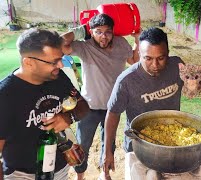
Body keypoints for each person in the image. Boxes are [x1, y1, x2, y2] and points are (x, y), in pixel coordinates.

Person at [0, 28, 89, 180]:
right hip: (22, 175)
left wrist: (69, 117)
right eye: (54, 61)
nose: (61, 65)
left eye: (61, 58)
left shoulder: (57, 77)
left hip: (60, 169)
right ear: (29, 62)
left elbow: (83, 105)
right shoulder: (6, 96)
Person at [61, 13, 140, 180]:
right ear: (91, 32)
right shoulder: (85, 47)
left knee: (109, 145)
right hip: (88, 107)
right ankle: (80, 176)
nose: (103, 36)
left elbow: (134, 60)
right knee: (83, 145)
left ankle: (104, 174)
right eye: (98, 32)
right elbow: (60, 44)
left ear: (113, 32)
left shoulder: (121, 43)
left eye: (108, 32)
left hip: (113, 107)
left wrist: (138, 39)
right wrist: (81, 30)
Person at [103, 27, 184, 179]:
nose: (155, 65)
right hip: (138, 147)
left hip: (172, 143)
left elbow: (192, 88)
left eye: (161, 58)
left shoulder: (177, 65)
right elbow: (113, 114)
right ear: (139, 54)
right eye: (148, 58)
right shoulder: (126, 81)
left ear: (168, 53)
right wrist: (108, 151)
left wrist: (196, 86)